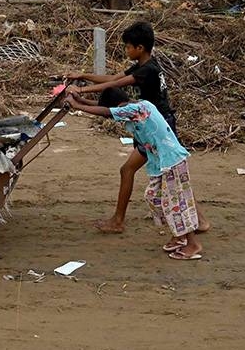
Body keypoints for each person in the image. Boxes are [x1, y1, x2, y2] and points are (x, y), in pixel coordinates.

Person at [65, 21, 209, 235]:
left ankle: (118, 221)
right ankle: (200, 220)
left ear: (139, 48)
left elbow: (113, 85)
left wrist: (81, 92)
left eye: (128, 46)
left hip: (157, 128)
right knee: (171, 171)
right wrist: (83, 76)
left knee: (143, 170)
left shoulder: (148, 71)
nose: (126, 50)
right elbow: (113, 78)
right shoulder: (145, 66)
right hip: (152, 125)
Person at [65, 88, 204, 260]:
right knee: (153, 197)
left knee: (175, 202)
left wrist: (76, 105)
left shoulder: (137, 109)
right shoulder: (135, 106)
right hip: (161, 163)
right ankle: (180, 235)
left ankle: (192, 243)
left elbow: (107, 110)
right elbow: (106, 109)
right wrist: (81, 101)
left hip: (172, 160)